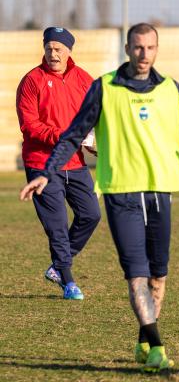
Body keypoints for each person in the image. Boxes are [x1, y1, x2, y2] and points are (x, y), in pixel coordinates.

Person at [20, 23, 179, 372]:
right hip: (122, 192)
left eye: (150, 47)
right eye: (137, 47)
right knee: (136, 273)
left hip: (160, 190)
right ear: (127, 48)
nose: (143, 54)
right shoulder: (104, 88)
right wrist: (46, 171)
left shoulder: (169, 89)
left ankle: (144, 339)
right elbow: (73, 135)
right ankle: (157, 346)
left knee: (158, 276)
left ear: (156, 49)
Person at [16, 27, 101, 300]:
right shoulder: (32, 80)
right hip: (41, 163)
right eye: (49, 48)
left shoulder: (84, 79)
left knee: (91, 214)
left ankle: (57, 266)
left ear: (69, 51)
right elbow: (29, 125)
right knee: (57, 226)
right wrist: (63, 136)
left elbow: (97, 115)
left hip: (75, 162)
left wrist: (96, 141)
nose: (53, 53)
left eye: (59, 49)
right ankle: (67, 280)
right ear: (44, 49)